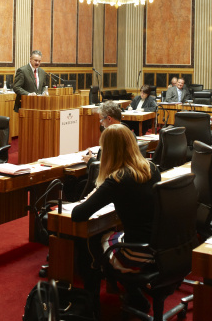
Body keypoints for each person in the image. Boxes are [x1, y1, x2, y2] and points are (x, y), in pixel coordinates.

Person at [72, 124, 161, 314]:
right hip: (160, 249)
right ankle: (132, 292)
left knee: (90, 240)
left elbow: (78, 214)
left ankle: (91, 302)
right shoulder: (152, 168)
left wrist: (98, 191)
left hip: (135, 255)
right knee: (112, 233)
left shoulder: (117, 179)